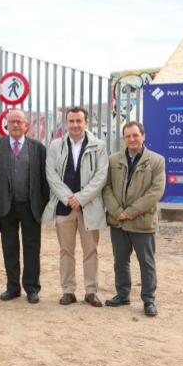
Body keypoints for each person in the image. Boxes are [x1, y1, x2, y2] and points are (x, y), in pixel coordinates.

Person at [42, 107, 108, 307]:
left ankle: (91, 291)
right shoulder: (55, 145)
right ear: (66, 123)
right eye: (71, 121)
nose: (75, 125)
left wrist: (80, 198)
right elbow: (51, 174)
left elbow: (101, 176)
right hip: (64, 208)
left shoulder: (99, 146)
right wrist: (68, 198)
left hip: (89, 208)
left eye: (79, 121)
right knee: (66, 251)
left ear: (86, 122)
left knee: (90, 251)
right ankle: (68, 291)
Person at [102, 121, 166, 317]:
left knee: (146, 262)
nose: (131, 139)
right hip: (118, 221)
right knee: (120, 261)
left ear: (143, 136)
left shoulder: (156, 161)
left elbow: (156, 191)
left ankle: (148, 300)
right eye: (128, 136)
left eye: (135, 135)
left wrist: (130, 211)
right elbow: (106, 187)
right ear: (124, 138)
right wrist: (116, 211)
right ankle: (122, 295)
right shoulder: (113, 160)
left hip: (142, 221)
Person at [0, 108, 49, 303]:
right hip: (5, 206)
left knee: (32, 247)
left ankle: (31, 288)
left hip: (30, 206)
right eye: (11, 121)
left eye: (19, 122)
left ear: (26, 125)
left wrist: (43, 206)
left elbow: (44, 180)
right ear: (7, 124)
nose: (15, 125)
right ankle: (12, 287)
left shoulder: (37, 147)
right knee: (9, 247)